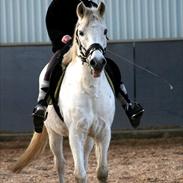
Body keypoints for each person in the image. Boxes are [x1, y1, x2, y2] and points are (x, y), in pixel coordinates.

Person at [32, 0, 144, 133]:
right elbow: (51, 25)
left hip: (89, 48)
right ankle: (41, 104)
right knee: (52, 66)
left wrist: (100, 38)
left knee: (112, 67)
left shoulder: (92, 5)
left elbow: (99, 25)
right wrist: (61, 36)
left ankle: (128, 105)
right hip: (66, 46)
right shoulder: (57, 4)